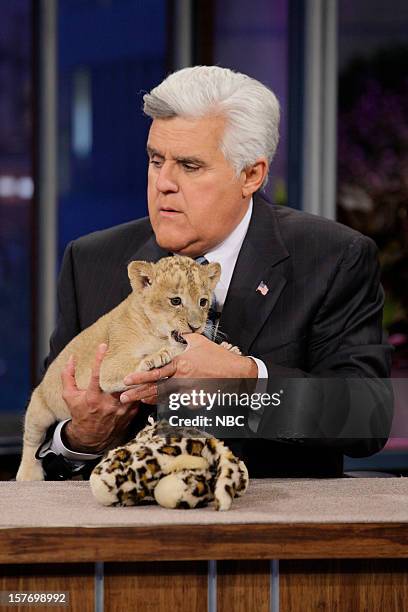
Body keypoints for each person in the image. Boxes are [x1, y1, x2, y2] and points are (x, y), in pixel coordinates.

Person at [35, 66, 393, 481]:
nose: (163, 183)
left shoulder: (332, 257)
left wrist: (245, 380)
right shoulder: (94, 260)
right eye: (156, 160)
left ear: (251, 175)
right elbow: (50, 432)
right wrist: (82, 436)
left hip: (271, 529)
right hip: (132, 534)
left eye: (189, 166)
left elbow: (367, 418)